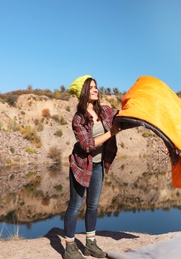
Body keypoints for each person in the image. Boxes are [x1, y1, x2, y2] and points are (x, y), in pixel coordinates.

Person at [64, 75, 122, 259]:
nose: (96, 90)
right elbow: (87, 145)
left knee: (93, 205)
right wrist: (111, 133)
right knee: (75, 206)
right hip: (81, 166)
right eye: (91, 87)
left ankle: (90, 244)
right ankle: (69, 248)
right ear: (83, 92)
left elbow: (124, 117)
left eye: (96, 87)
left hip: (98, 165)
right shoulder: (78, 118)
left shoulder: (105, 111)